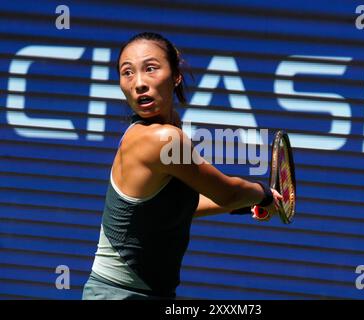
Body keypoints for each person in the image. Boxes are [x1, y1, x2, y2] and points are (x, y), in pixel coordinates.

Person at [82, 32, 283, 300]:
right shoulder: (160, 139)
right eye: (127, 73)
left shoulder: (168, 129)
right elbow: (227, 192)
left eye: (150, 68)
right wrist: (262, 192)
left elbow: (175, 209)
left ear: (175, 75)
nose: (139, 82)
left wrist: (248, 204)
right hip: (119, 294)